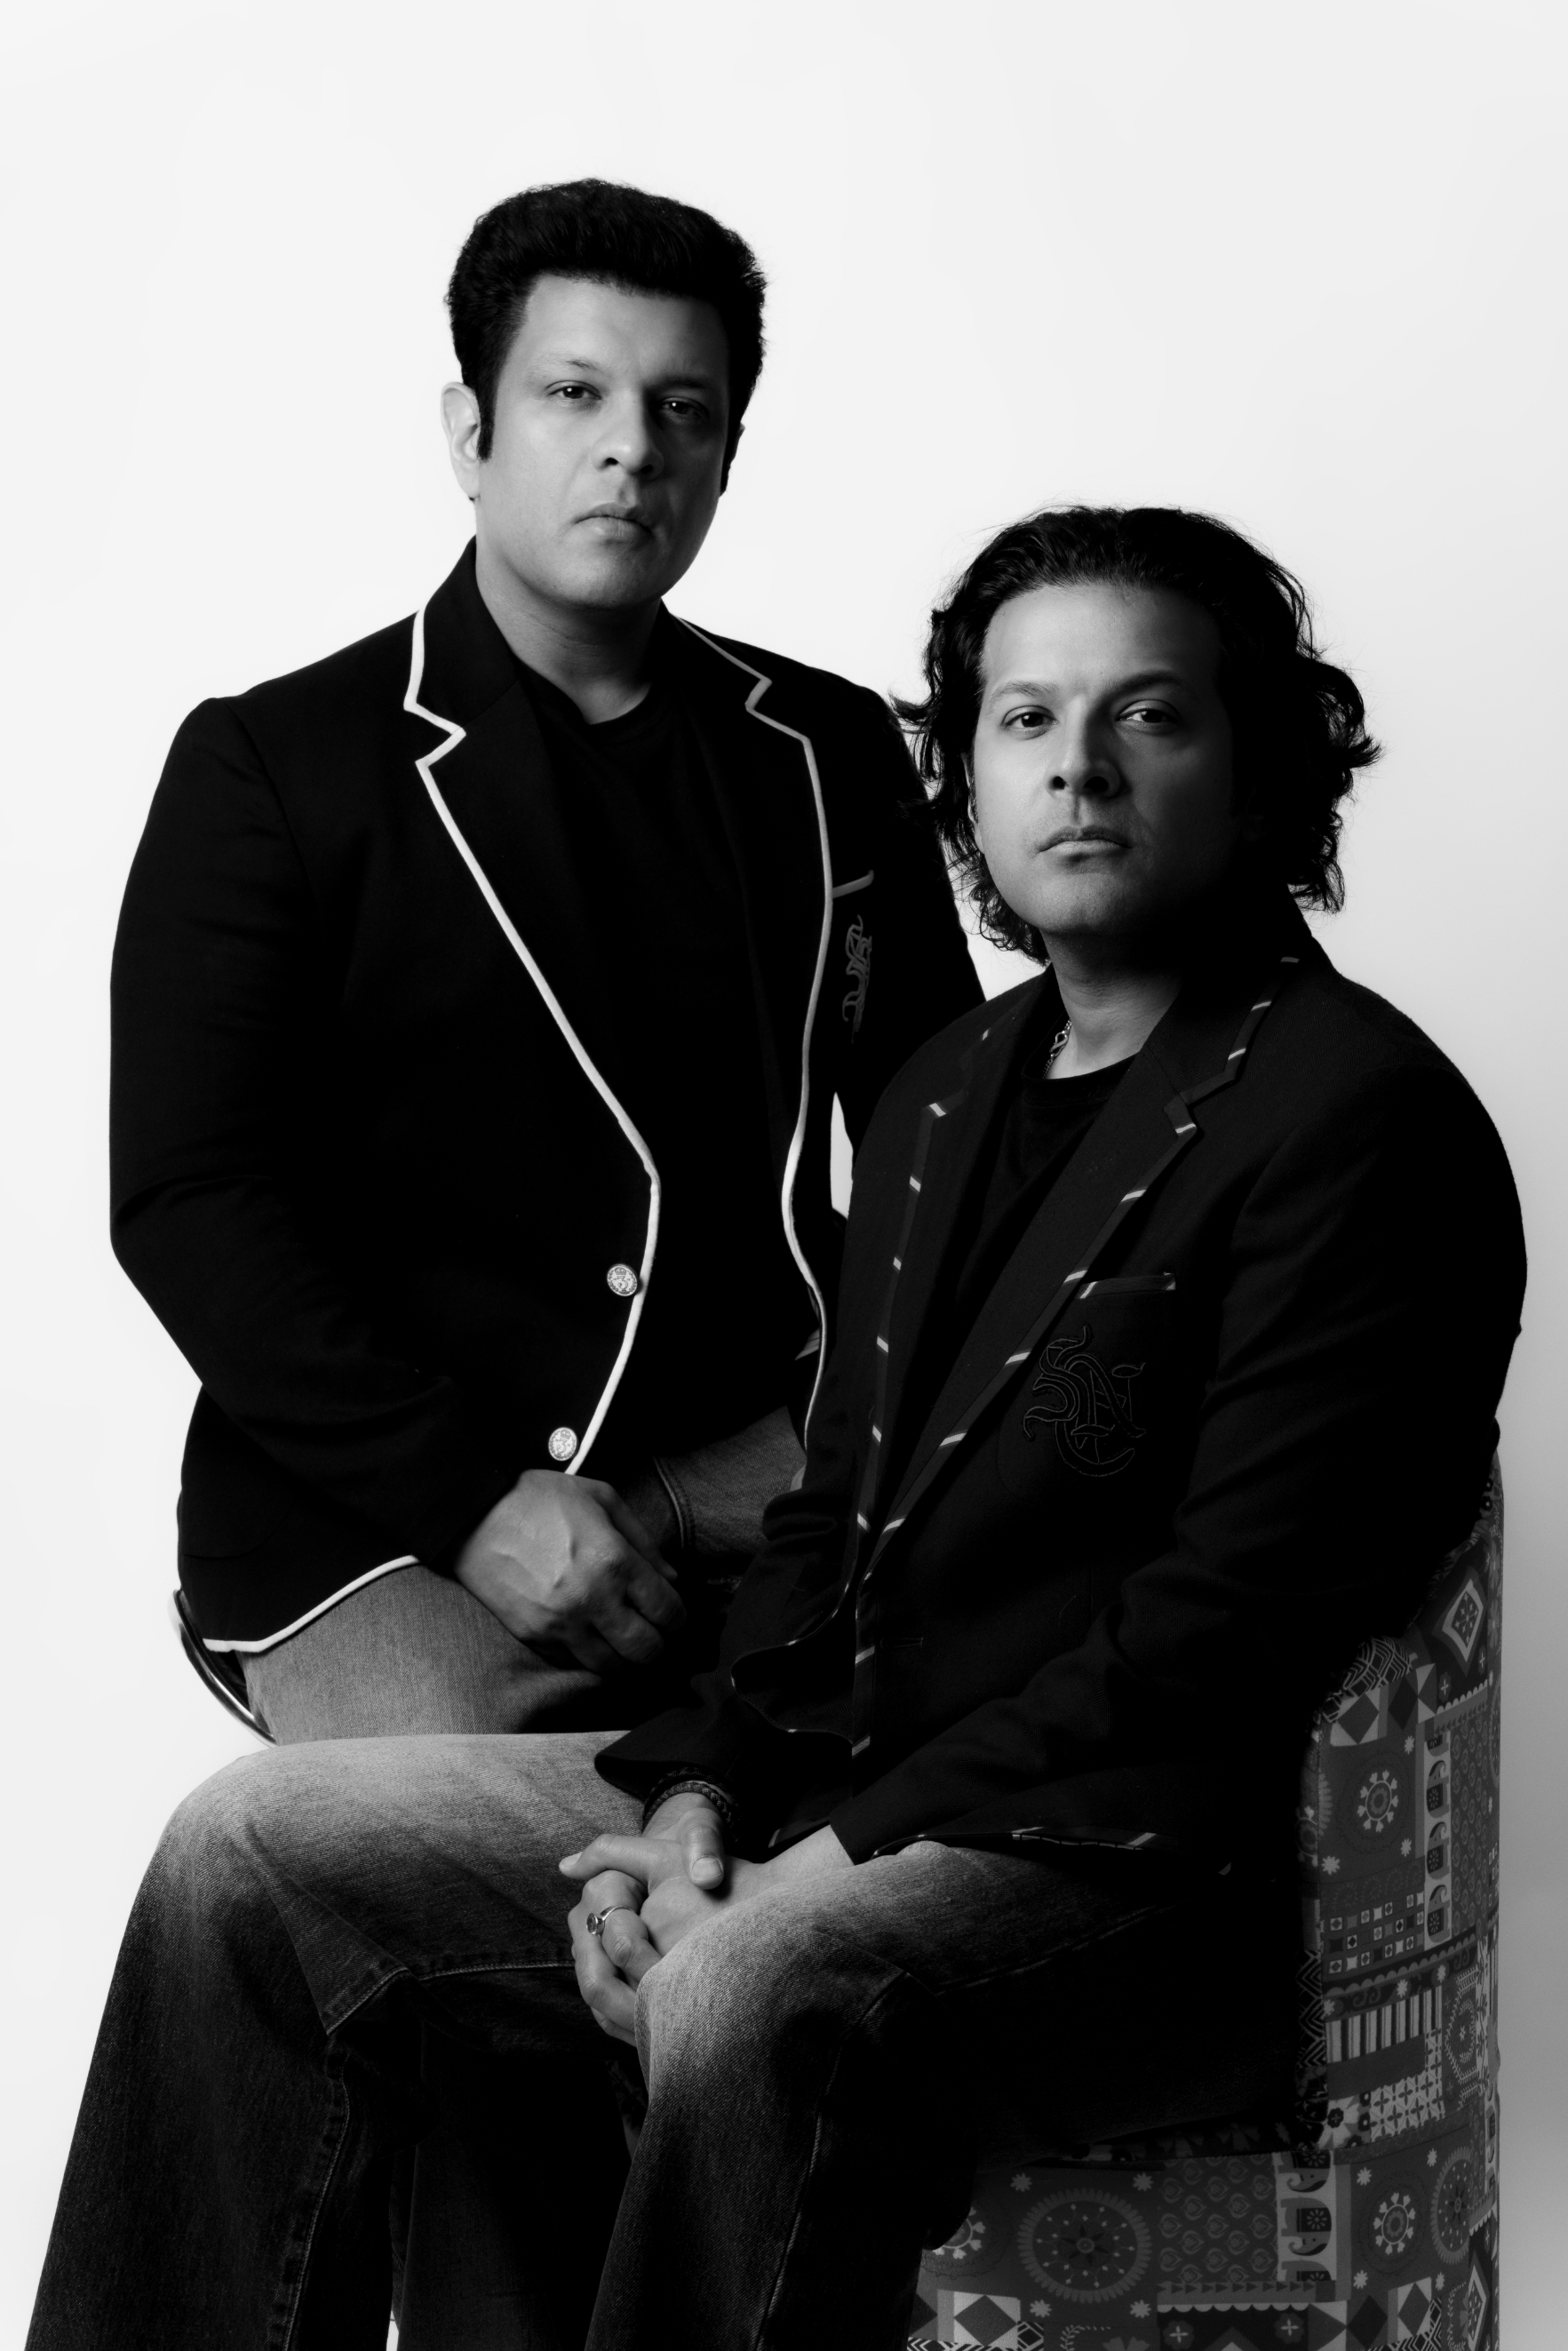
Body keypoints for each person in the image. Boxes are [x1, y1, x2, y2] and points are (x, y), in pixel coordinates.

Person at [33, 507, 1524, 2350]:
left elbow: (1215, 1641)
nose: (1077, 765)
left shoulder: (1357, 1116)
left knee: (748, 1982)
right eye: (1024, 719)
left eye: (1147, 714)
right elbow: (830, 1537)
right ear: (967, 781)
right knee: (249, 1856)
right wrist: (696, 1806)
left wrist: (811, 1865)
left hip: (1133, 1878)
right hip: (850, 1808)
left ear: (1258, 763)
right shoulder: (946, 1093)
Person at [110, 177, 979, 1747]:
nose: (632, 447)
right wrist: (470, 1503)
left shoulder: (828, 745)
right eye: (573, 394)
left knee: (993, 1734)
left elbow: (941, 1135)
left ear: (726, 452)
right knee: (440, 1831)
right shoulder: (274, 766)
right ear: (470, 432)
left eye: (682, 408)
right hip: (392, 1508)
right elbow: (191, 1197)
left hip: (771, 1454)